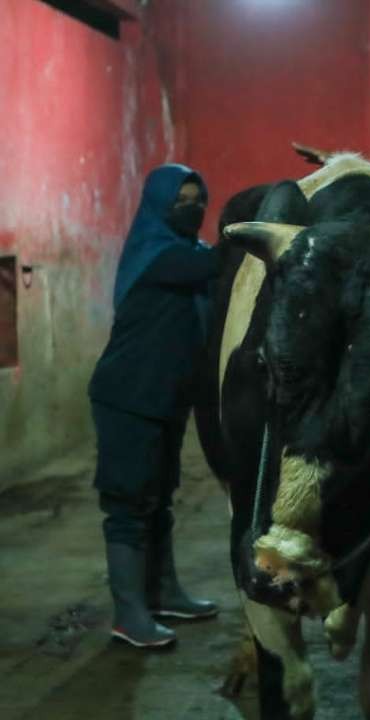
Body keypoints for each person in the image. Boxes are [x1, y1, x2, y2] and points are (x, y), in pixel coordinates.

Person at [88, 164, 221, 648]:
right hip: (127, 398)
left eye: (198, 198)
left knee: (159, 500)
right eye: (181, 200)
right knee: (127, 504)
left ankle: (162, 593)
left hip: (163, 401)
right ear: (159, 206)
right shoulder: (158, 256)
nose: (193, 208)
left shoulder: (189, 254)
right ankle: (129, 615)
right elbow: (214, 266)